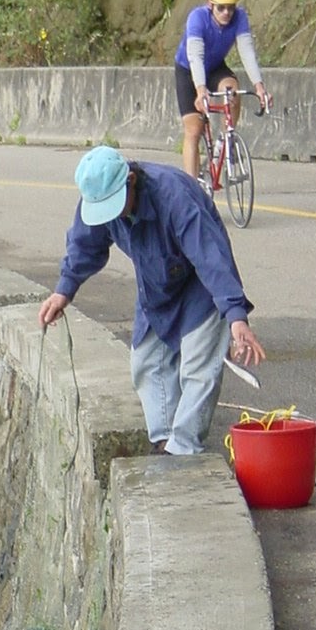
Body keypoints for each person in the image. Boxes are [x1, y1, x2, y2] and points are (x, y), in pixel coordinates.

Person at [38, 145, 266, 456]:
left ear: (131, 180)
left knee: (198, 367)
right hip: (156, 284)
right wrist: (63, 291)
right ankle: (164, 439)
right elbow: (83, 245)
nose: (113, 214)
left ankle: (184, 449)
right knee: (146, 361)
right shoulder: (97, 194)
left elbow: (211, 257)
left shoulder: (174, 197)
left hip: (201, 284)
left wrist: (236, 315)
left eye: (115, 204)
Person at [174, 0, 269, 181]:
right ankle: (192, 187)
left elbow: (247, 52)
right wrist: (201, 91)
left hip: (215, 66)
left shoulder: (239, 17)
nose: (227, 12)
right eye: (221, 8)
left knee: (232, 91)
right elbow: (196, 57)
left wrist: (259, 87)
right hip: (188, 68)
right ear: (210, 5)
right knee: (194, 128)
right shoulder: (197, 18)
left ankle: (225, 140)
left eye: (231, 7)